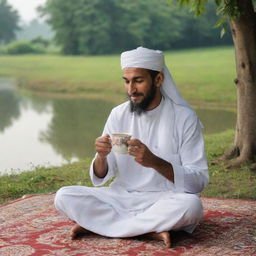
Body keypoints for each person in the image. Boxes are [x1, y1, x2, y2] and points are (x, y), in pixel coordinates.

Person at [54, 46, 209, 248]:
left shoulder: (184, 118)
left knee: (191, 206)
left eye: (138, 80)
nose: (131, 90)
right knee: (64, 196)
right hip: (121, 197)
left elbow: (198, 181)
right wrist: (101, 156)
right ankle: (149, 231)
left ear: (158, 79)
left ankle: (98, 226)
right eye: (126, 81)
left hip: (165, 199)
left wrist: (154, 162)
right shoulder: (118, 114)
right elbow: (103, 175)